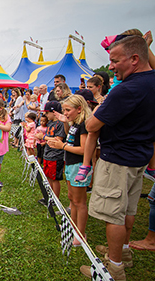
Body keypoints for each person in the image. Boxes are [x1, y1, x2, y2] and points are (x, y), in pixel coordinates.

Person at [80, 35, 155, 280]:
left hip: (118, 161)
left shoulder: (126, 90)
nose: (110, 67)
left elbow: (91, 126)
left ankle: (113, 268)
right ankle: (123, 252)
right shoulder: (151, 80)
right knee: (128, 209)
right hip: (140, 157)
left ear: (134, 59)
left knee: (113, 215)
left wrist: (98, 110)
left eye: (114, 61)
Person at [47, 95, 91, 246]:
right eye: (63, 110)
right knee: (72, 198)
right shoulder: (74, 124)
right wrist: (66, 123)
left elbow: (84, 149)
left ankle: (81, 233)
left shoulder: (84, 125)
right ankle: (74, 226)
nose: (65, 113)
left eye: (68, 110)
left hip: (79, 165)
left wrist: (62, 146)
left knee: (80, 201)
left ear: (79, 109)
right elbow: (68, 135)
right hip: (71, 163)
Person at [35, 101, 66, 204]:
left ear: (54, 112)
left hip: (56, 155)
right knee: (48, 176)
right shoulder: (51, 123)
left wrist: (43, 137)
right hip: (48, 153)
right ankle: (49, 196)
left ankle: (55, 199)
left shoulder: (60, 124)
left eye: (47, 113)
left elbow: (58, 139)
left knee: (54, 178)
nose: (46, 115)